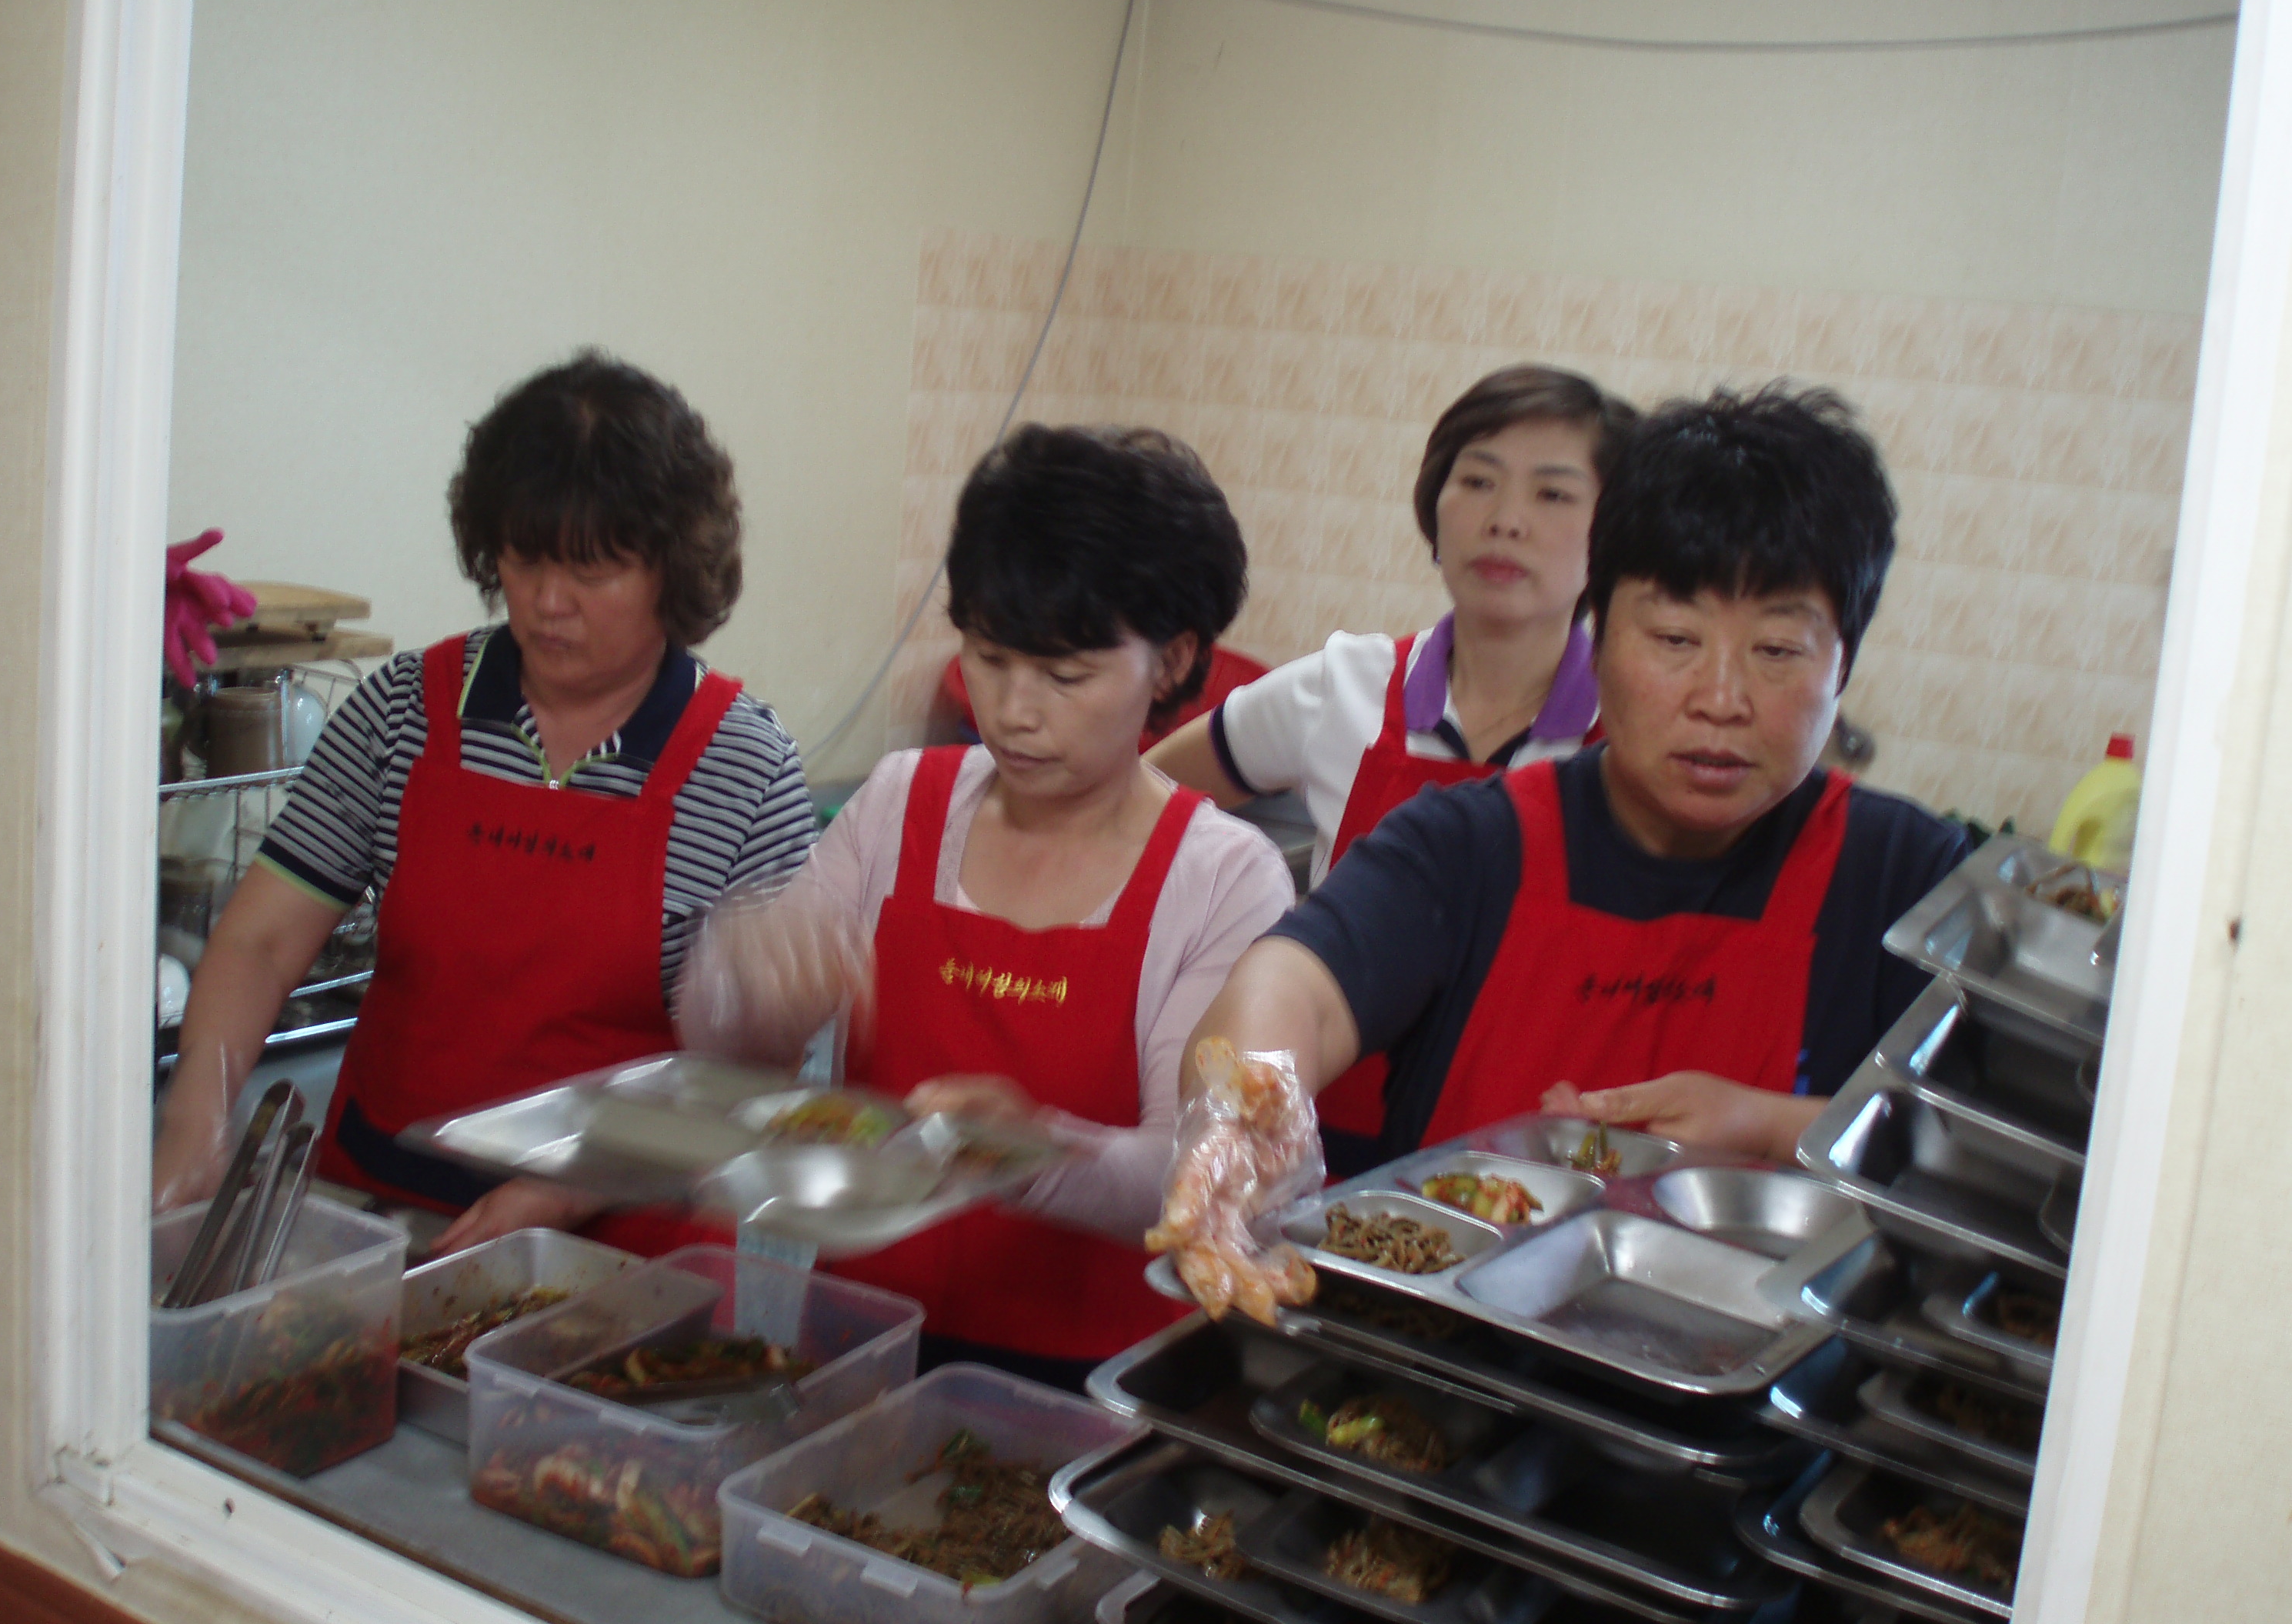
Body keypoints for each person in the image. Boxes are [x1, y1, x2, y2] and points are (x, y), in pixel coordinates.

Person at [1152, 385, 1970, 1312]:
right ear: (1600, 632)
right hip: (1441, 1364)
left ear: (1844, 663)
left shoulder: (1910, 876)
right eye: (1675, 638)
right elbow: (1295, 981)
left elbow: (2010, 1165)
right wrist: (1247, 1106)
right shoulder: (1470, 845)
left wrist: (1774, 1125)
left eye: (1778, 650)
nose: (1721, 699)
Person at [152, 352, 816, 1255]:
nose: (547, 603)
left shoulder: (746, 768)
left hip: (614, 1249)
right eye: (525, 559)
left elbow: (749, 1073)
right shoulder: (403, 711)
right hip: (376, 1221)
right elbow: (260, 942)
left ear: (672, 569)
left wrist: (566, 1192)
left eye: (593, 571)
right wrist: (197, 1113)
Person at [685, 424, 1295, 1390]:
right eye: (988, 656)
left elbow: (1204, 1170)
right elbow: (742, 1050)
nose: (1013, 710)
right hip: (858, 1340)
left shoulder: (1226, 879)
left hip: (1094, 1380)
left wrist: (1029, 1153)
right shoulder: (899, 805)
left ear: (1173, 661)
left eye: (1065, 676)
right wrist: (743, 981)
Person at [1146, 365, 1634, 1172]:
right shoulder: (1344, 684)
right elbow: (1149, 801)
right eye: (1476, 481)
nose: (1505, 520)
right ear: (1434, 510)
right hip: (1316, 1136)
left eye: (1553, 494)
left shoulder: (1636, 734)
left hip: (1532, 1155)